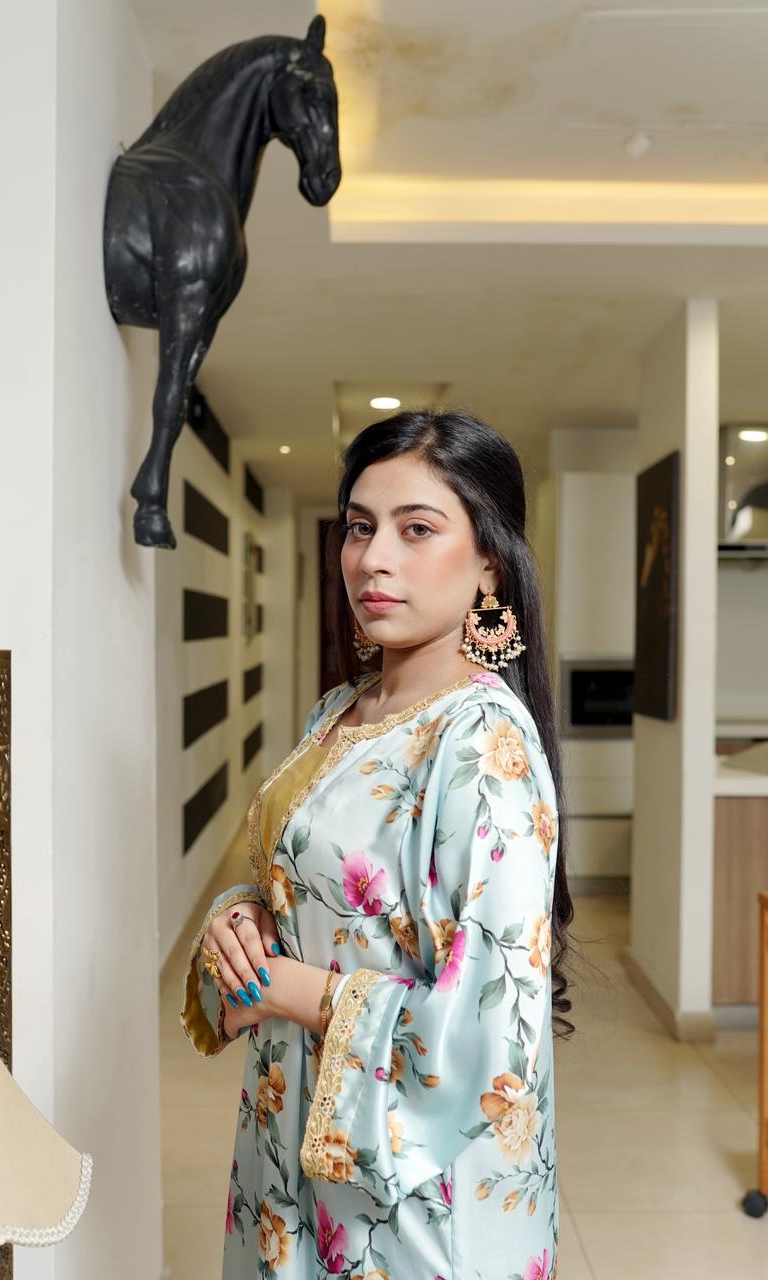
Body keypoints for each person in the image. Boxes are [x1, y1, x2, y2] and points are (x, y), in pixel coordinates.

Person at [181, 408, 574, 1280]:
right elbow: (303, 879)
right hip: (292, 1150)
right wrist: (237, 921)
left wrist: (285, 987)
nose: (374, 557)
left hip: (415, 1200)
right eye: (360, 528)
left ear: (488, 565)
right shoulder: (340, 712)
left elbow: (489, 1031)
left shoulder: (482, 745)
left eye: (417, 529)